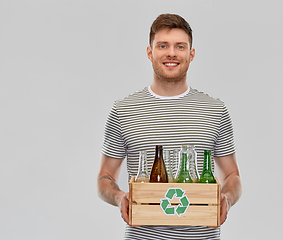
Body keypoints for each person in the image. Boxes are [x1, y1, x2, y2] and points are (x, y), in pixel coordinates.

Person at [97, 13, 242, 239]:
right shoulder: (124, 110)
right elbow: (104, 177)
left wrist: (227, 199)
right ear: (150, 52)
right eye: (163, 45)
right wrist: (119, 197)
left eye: (180, 46)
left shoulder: (215, 110)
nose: (171, 53)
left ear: (191, 54)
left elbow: (232, 174)